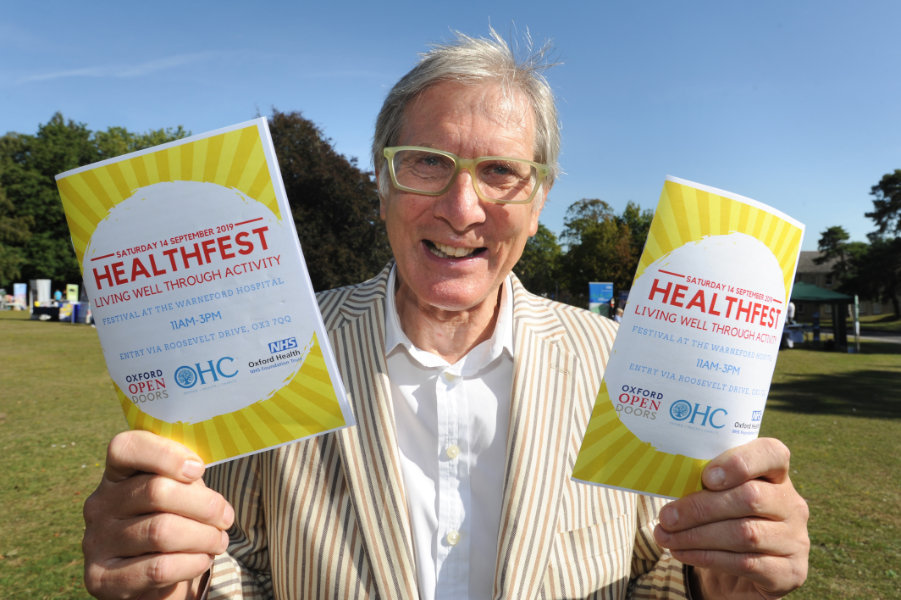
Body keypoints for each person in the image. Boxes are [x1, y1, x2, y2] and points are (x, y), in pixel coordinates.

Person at [82, 31, 809, 600]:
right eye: (426, 162)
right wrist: (178, 578)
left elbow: (652, 568)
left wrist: (717, 581)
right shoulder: (282, 354)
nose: (462, 210)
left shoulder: (621, 363)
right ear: (381, 180)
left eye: (499, 171)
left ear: (539, 198)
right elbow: (239, 563)